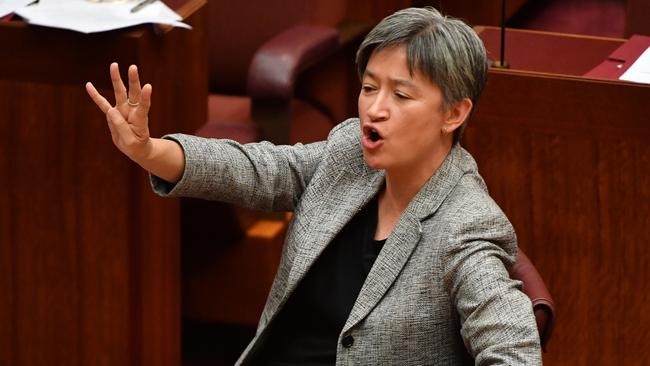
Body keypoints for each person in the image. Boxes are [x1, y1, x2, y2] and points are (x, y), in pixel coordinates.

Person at [86, 6, 541, 365]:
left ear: (454, 114)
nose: (374, 109)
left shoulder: (467, 225)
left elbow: (513, 349)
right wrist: (150, 151)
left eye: (400, 95)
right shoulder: (350, 154)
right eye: (368, 87)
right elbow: (262, 170)